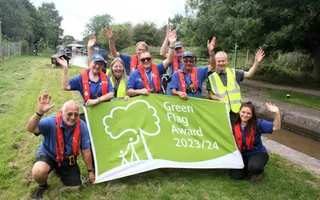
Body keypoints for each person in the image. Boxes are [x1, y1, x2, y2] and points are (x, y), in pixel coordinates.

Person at [26, 93, 95, 199]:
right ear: (62, 113)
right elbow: (30, 128)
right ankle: (43, 186)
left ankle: (57, 170)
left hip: (68, 159)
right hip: (49, 154)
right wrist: (39, 113)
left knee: (75, 188)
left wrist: (90, 172)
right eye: (69, 114)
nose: (73, 117)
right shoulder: (50, 122)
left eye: (76, 114)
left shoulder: (82, 125)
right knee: (38, 172)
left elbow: (86, 150)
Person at [207, 49, 265, 122]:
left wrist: (256, 62)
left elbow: (249, 74)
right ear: (216, 62)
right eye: (219, 61)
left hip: (236, 112)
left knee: (236, 132)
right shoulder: (211, 77)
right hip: (221, 112)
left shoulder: (234, 72)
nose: (221, 63)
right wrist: (219, 99)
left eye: (223, 61)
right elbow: (210, 95)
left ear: (227, 61)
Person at [230, 102, 281, 182]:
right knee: (236, 176)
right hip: (241, 154)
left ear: (252, 115)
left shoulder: (258, 123)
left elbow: (275, 127)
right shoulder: (234, 124)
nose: (245, 115)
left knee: (255, 166)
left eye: (248, 113)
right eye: (243, 112)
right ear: (239, 112)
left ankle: (258, 172)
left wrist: (277, 113)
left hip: (257, 152)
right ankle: (246, 166)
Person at [126, 30, 177, 96]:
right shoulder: (134, 73)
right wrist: (140, 91)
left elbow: (170, 59)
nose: (146, 61)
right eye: (143, 60)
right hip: (143, 101)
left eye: (148, 59)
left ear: (152, 58)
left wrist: (172, 44)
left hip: (158, 99)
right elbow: (128, 91)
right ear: (140, 61)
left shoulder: (158, 68)